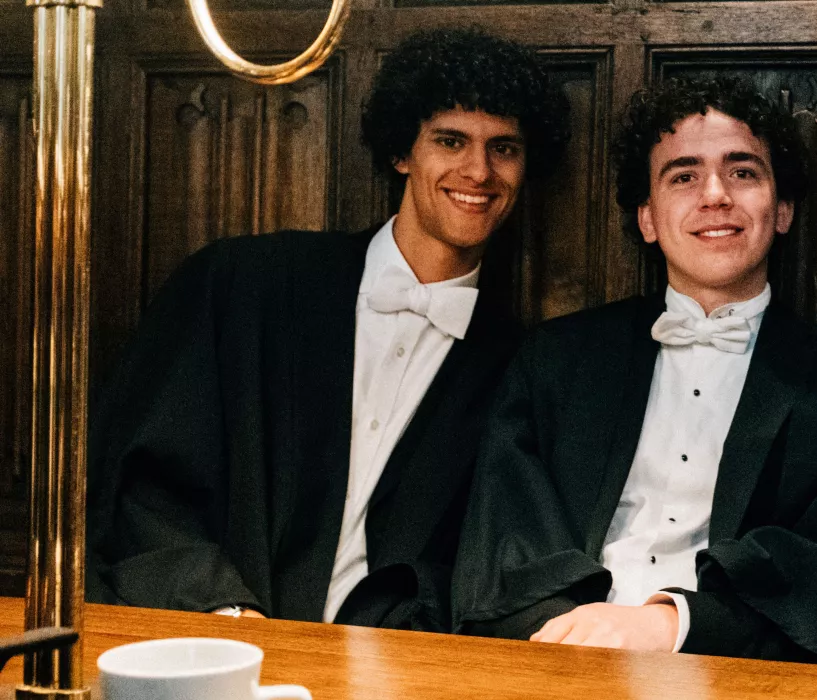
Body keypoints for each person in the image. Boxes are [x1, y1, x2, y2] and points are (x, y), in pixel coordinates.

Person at [86, 28, 568, 630]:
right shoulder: (241, 285)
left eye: (505, 148)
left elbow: (484, 567)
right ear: (402, 151)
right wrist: (227, 617)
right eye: (450, 140)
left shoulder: (521, 369)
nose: (479, 171)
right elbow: (140, 487)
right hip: (207, 636)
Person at [452, 76, 817, 661]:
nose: (716, 194)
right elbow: (504, 539)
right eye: (684, 176)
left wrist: (673, 625)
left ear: (782, 210)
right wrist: (571, 638)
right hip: (557, 658)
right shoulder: (554, 361)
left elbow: (815, 562)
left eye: (743, 171)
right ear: (647, 219)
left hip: (730, 670)